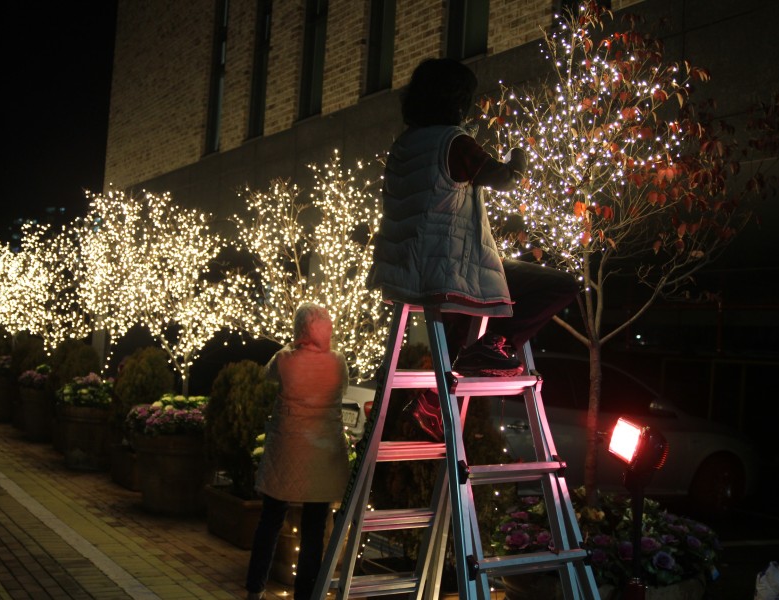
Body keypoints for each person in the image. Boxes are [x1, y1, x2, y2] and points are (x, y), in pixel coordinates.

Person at [367, 57, 579, 378]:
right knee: (563, 284)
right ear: (456, 99)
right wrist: (518, 156)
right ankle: (497, 343)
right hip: (449, 271)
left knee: (462, 324)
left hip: (406, 273)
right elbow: (506, 178)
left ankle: (427, 407)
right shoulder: (454, 142)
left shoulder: (403, 145)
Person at [245, 303, 351, 600]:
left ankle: (255, 588)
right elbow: (341, 389)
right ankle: (306, 594)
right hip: (322, 454)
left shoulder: (284, 360)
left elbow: (266, 376)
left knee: (270, 520)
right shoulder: (337, 362)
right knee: (314, 529)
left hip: (286, 453)